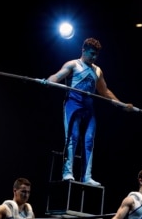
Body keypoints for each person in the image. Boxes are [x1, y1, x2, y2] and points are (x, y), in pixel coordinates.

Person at [46, 37, 133, 186]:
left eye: (96, 55)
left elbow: (104, 91)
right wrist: (48, 82)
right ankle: (68, 172)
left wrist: (122, 104)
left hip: (88, 109)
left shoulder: (97, 71)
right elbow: (57, 76)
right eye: (91, 53)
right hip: (73, 105)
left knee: (88, 141)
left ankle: (86, 176)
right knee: (72, 138)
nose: (94, 57)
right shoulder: (73, 65)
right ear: (83, 50)